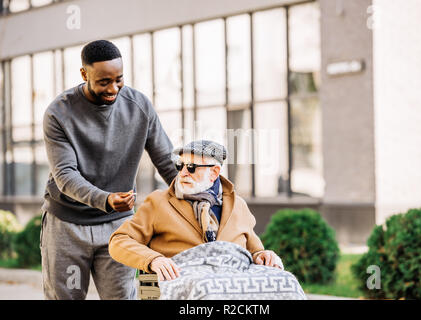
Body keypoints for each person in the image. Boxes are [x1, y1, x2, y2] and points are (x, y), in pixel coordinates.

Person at [41, 39, 178, 300]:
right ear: (84, 74)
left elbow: (166, 161)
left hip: (119, 227)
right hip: (68, 226)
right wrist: (105, 199)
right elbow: (65, 175)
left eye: (119, 79)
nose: (113, 88)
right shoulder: (59, 114)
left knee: (121, 298)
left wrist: (196, 194)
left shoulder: (139, 106)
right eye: (104, 81)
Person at [109, 140, 281, 282]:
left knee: (287, 284)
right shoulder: (158, 202)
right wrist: (153, 259)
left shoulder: (238, 205)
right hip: (183, 286)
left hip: (232, 288)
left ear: (214, 173)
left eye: (191, 167)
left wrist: (263, 255)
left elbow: (254, 250)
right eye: (180, 165)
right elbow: (119, 241)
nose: (183, 173)